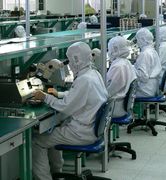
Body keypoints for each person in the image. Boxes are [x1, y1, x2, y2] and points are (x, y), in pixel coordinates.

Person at [32, 42, 108, 180]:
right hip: (92, 129)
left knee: (37, 141)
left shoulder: (84, 79)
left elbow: (65, 107)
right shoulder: (93, 73)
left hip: (81, 133)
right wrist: (59, 94)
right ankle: (57, 172)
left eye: (70, 60)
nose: (70, 65)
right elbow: (79, 95)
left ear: (76, 60)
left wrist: (45, 97)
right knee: (53, 131)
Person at [106, 36, 137, 117]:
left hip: (115, 107)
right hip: (121, 104)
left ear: (115, 49)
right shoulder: (125, 62)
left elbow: (109, 91)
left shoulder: (118, 66)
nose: (109, 52)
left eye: (109, 49)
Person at [134, 28, 162, 97]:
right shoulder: (152, 50)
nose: (137, 42)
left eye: (137, 40)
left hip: (145, 90)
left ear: (143, 39)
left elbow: (143, 77)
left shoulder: (145, 54)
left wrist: (131, 69)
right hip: (152, 86)